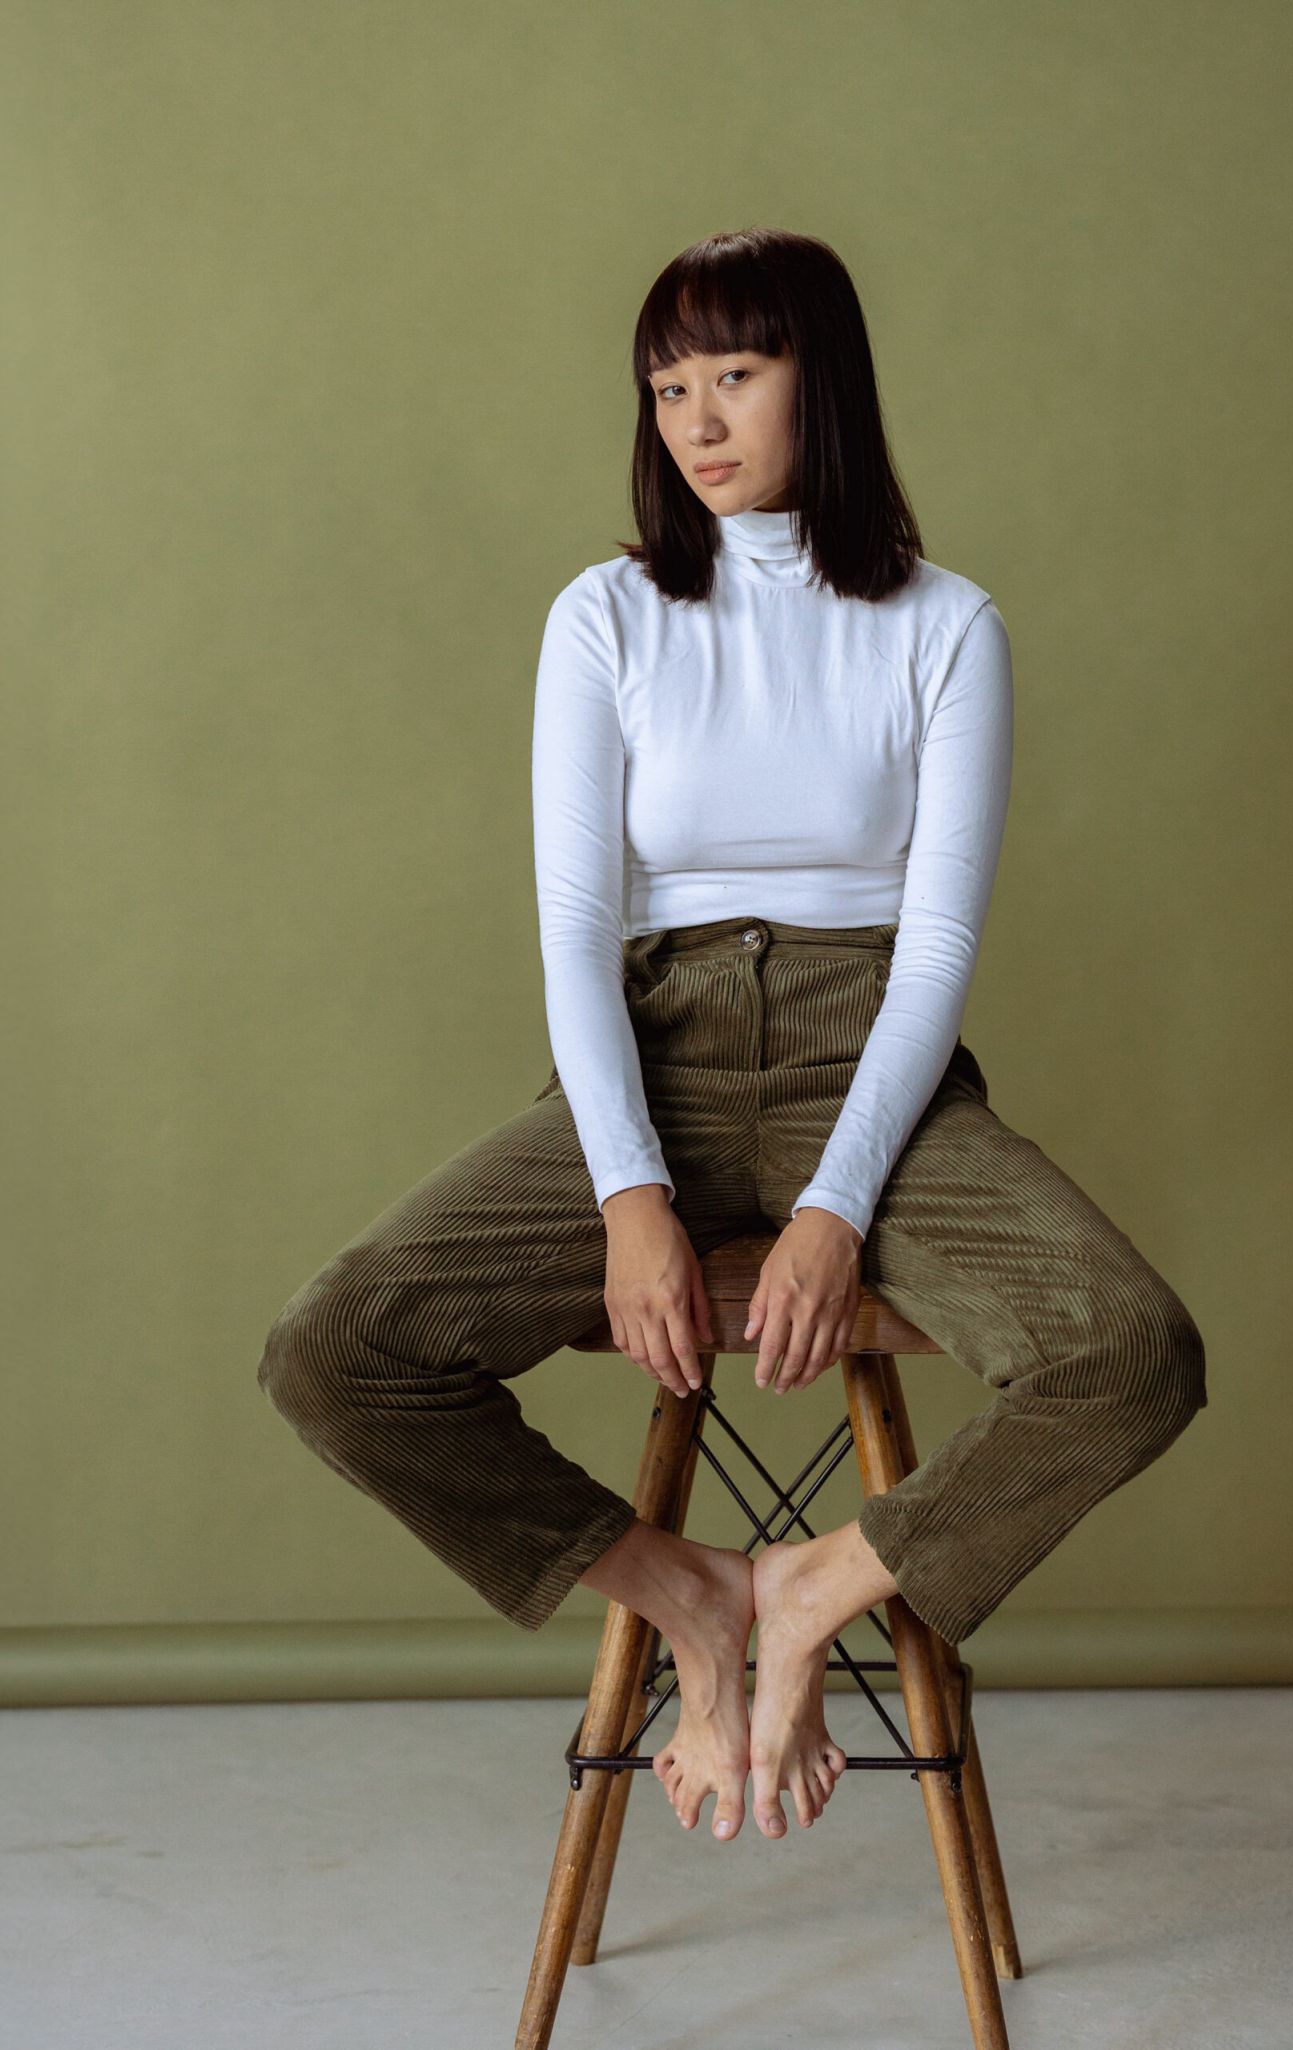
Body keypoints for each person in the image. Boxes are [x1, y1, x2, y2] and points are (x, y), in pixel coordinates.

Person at [258, 226, 1207, 1851]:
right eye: (667, 387)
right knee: (334, 1350)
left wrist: (836, 1209)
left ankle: (815, 1587)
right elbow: (575, 932)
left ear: (818, 379)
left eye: (736, 375)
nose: (696, 420)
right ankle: (690, 1592)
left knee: (1135, 1353)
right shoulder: (607, 615)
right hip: (657, 1056)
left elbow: (937, 954)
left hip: (871, 1062)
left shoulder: (946, 626)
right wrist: (631, 1194)